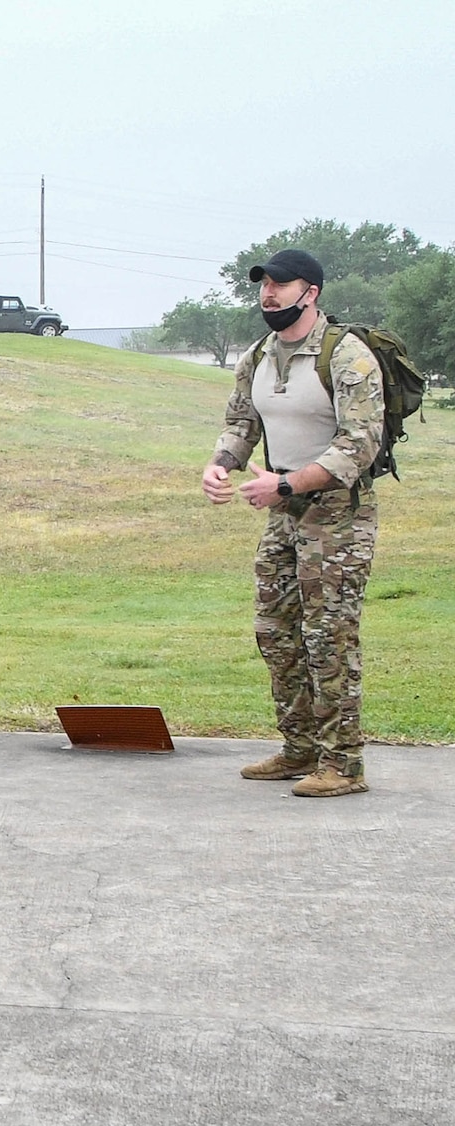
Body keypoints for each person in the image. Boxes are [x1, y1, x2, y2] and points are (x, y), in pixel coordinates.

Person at [201, 249, 383, 797]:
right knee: (277, 632)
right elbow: (241, 420)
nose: (269, 294)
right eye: (264, 286)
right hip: (282, 512)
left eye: (281, 285)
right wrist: (220, 464)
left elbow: (360, 446)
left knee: (328, 636)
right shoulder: (258, 356)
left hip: (338, 516)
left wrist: (285, 484)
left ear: (312, 293)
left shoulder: (348, 357)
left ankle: (343, 764)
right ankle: (300, 748)